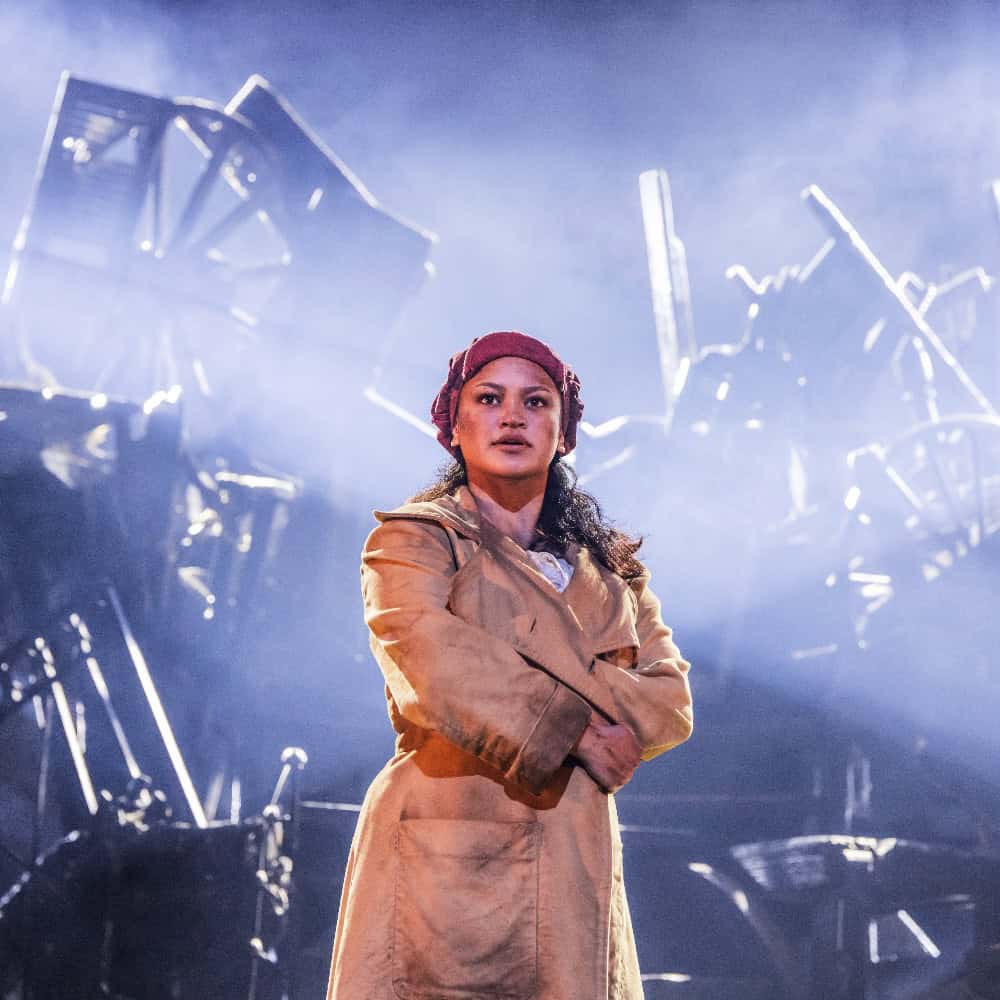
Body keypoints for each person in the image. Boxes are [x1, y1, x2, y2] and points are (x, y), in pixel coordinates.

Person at [326, 331, 693, 999]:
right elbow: (438, 670)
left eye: (536, 401)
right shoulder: (413, 540)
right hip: (450, 860)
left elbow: (668, 703)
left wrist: (513, 665)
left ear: (564, 429)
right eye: (490, 399)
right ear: (454, 425)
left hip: (576, 862)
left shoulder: (613, 568)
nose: (513, 417)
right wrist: (581, 731)